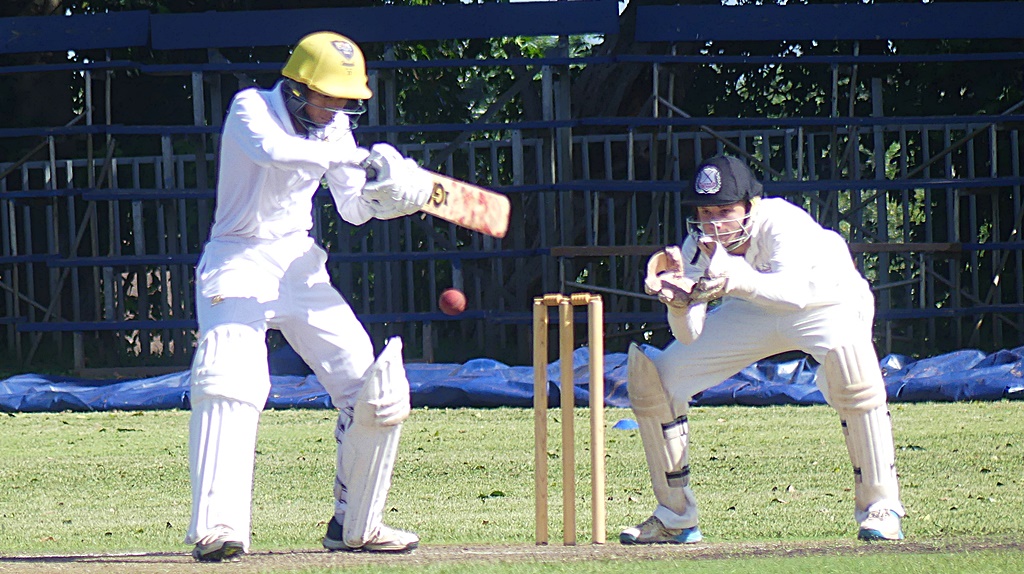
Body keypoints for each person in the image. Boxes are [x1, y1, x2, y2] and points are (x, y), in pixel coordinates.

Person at [185, 31, 431, 562]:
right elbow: (276, 155)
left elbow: (351, 209)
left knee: (373, 387)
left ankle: (356, 525)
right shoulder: (251, 107)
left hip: (298, 264)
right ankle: (217, 528)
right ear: (297, 87)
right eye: (329, 97)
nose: (338, 108)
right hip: (238, 256)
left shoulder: (337, 128)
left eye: (346, 100)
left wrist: (391, 196)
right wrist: (360, 161)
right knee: (231, 378)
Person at [623, 154, 905, 545]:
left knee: (852, 372)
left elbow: (791, 294)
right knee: (659, 380)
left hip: (825, 302)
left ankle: (882, 508)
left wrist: (731, 278)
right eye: (705, 212)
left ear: (749, 207)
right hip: (749, 309)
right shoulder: (696, 247)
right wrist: (677, 301)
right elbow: (688, 335)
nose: (714, 224)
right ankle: (675, 517)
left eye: (724, 211)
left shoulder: (782, 222)